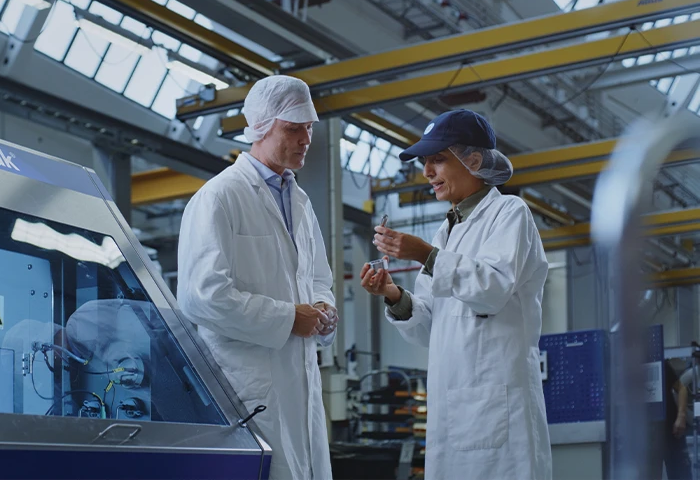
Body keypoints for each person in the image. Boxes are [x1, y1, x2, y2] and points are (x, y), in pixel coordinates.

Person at [359, 109, 552, 480]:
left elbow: (492, 289)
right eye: (425, 162)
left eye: (438, 159)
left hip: (498, 408)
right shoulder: (446, 232)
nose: (427, 172)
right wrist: (395, 295)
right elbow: (432, 327)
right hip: (455, 406)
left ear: (474, 160)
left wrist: (424, 255)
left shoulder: (509, 214)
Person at [177, 75, 338, 480]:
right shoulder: (220, 196)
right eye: (294, 128)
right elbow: (202, 296)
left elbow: (319, 278)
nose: (306, 139)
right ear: (262, 127)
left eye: (309, 128)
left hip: (299, 382)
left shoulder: (300, 201)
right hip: (250, 387)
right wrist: (287, 319)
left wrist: (324, 309)